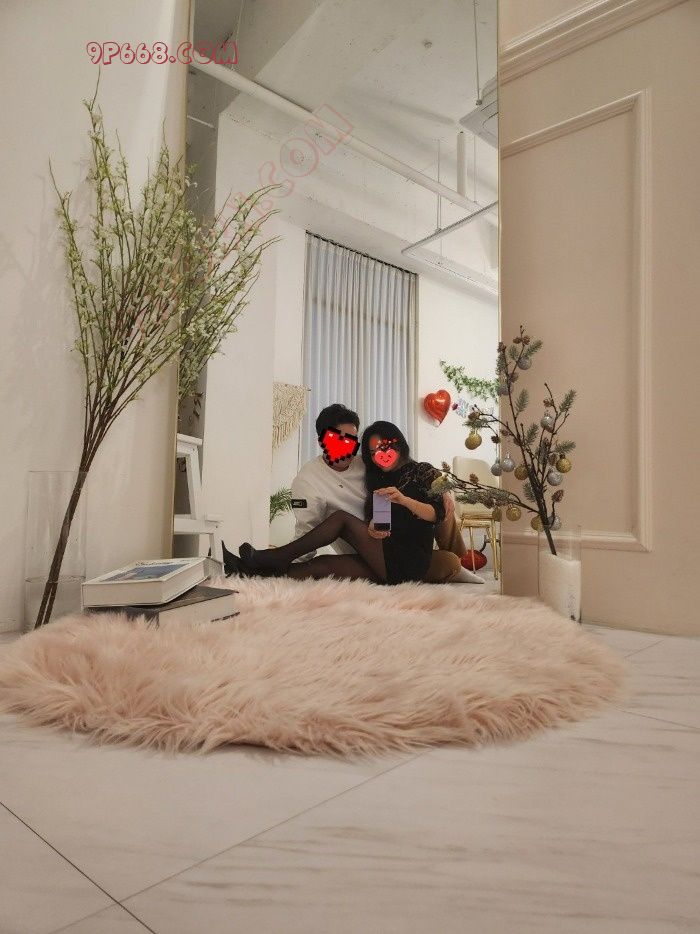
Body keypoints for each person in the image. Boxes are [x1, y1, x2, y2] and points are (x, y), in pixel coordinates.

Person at [222, 403, 482, 582]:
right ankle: (248, 570)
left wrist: (442, 486)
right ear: (322, 440)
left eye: (352, 439)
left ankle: (463, 562)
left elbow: (410, 472)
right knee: (319, 567)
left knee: (444, 517)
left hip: (401, 548)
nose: (346, 446)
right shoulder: (308, 480)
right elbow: (306, 529)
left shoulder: (368, 464)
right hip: (372, 551)